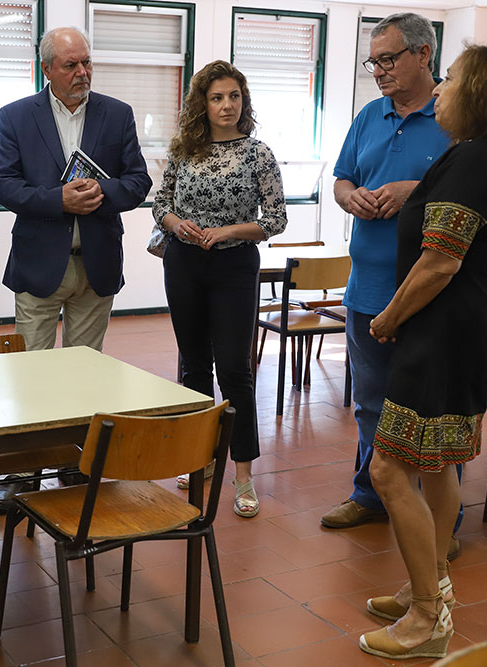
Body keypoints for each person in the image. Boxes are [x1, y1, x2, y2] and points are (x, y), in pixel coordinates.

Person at [358, 45, 487, 660]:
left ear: (481, 93)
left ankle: (428, 618)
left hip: (440, 336)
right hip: (461, 332)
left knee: (389, 470)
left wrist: (387, 318)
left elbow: (440, 261)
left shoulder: (475, 162)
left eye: (452, 80)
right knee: (434, 467)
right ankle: (424, 589)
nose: (440, 90)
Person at [0, 27, 151, 512]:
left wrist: (103, 195)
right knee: (31, 374)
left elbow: (138, 180)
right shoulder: (17, 116)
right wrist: (57, 199)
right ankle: (23, 472)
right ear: (47, 69)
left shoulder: (116, 114)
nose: (82, 73)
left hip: (96, 263)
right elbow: (3, 185)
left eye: (86, 63)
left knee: (85, 374)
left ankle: (75, 463)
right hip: (40, 265)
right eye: (70, 65)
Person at [321, 14, 461, 552]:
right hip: (367, 286)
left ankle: (439, 520)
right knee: (370, 404)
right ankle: (370, 495)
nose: (378, 71)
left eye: (388, 59)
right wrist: (347, 195)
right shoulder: (369, 116)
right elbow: (341, 177)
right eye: (372, 61)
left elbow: (470, 188)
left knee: (430, 410)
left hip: (427, 291)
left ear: (424, 55)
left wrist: (414, 192)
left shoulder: (454, 117)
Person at [152, 60, 287, 518]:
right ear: (202, 105)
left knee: (234, 370)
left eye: (233, 96)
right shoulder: (184, 149)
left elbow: (275, 219)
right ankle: (199, 460)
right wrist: (175, 223)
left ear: (243, 101)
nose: (227, 105)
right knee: (193, 366)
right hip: (184, 262)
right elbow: (161, 204)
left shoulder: (257, 153)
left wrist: (229, 231)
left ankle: (244, 474)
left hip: (234, 266)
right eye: (216, 97)